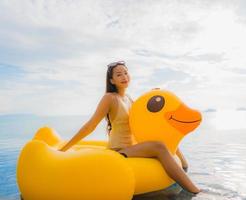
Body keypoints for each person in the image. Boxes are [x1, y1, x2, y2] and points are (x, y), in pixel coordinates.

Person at [59, 61, 201, 194]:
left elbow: (145, 114)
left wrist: (154, 93)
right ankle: (195, 191)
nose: (124, 76)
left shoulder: (129, 99)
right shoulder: (110, 98)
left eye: (125, 73)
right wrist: (64, 149)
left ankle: (184, 168)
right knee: (158, 146)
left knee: (162, 136)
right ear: (112, 80)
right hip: (118, 151)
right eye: (119, 74)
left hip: (132, 149)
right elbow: (90, 126)